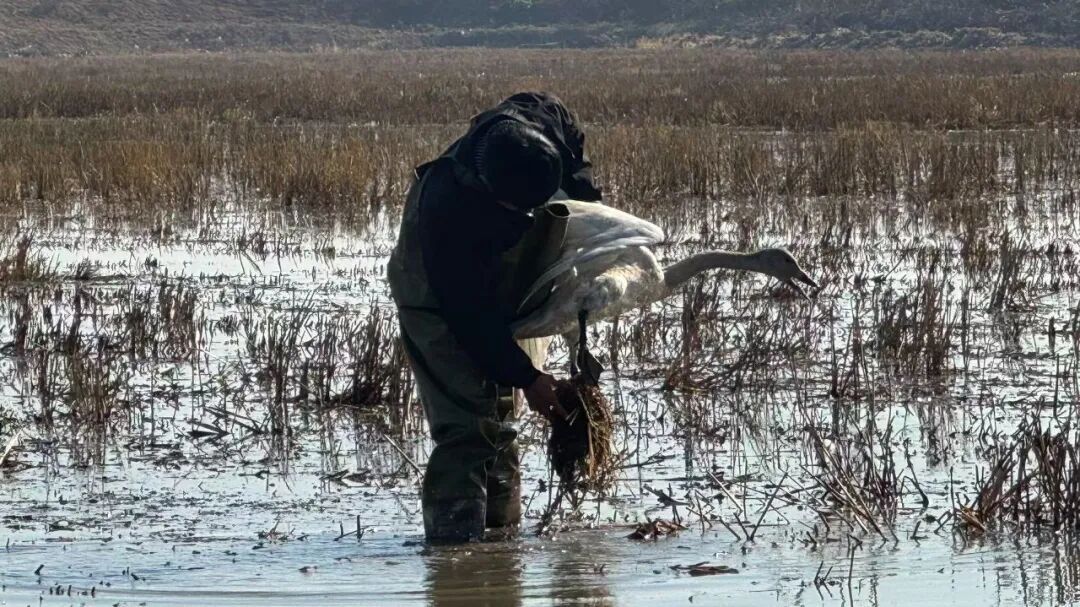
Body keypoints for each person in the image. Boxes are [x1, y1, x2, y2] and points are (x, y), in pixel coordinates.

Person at [387, 92, 603, 543]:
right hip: (437, 297)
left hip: (508, 281)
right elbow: (467, 313)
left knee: (504, 424)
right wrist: (527, 374)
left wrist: (584, 202)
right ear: (491, 190)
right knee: (469, 427)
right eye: (518, 211)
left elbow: (564, 125)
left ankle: (501, 550)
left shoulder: (539, 125)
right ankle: (454, 554)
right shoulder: (448, 210)